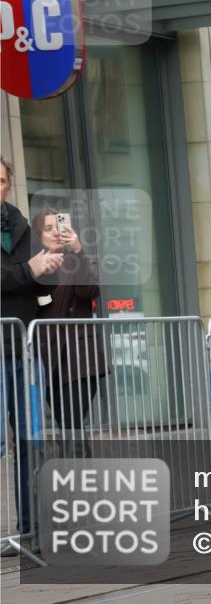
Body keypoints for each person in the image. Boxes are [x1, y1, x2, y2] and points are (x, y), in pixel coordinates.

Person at [0, 156, 62, 544]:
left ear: (9, 184)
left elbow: (41, 291)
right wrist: (29, 272)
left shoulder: (21, 226)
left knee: (28, 439)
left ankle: (29, 529)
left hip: (22, 349)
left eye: (1, 179)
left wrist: (49, 271)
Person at [32, 209, 107, 455]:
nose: (55, 232)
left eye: (59, 226)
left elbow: (90, 291)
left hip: (81, 360)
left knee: (71, 423)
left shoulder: (79, 259)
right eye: (48, 228)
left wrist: (79, 250)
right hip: (49, 361)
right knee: (68, 426)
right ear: (38, 235)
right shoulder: (34, 266)